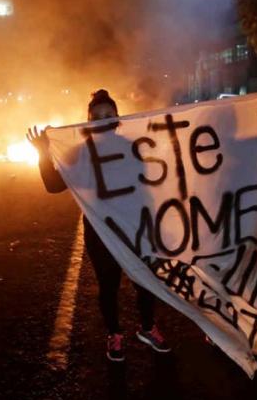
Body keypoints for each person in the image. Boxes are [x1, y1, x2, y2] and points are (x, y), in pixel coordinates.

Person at [26, 89, 170, 362]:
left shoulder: (132, 146)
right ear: (88, 120)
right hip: (100, 231)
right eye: (97, 116)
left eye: (109, 115)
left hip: (134, 227)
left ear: (117, 118)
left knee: (146, 281)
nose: (103, 119)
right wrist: (43, 154)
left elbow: (150, 185)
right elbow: (54, 185)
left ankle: (148, 327)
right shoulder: (80, 153)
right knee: (109, 285)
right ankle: (115, 334)